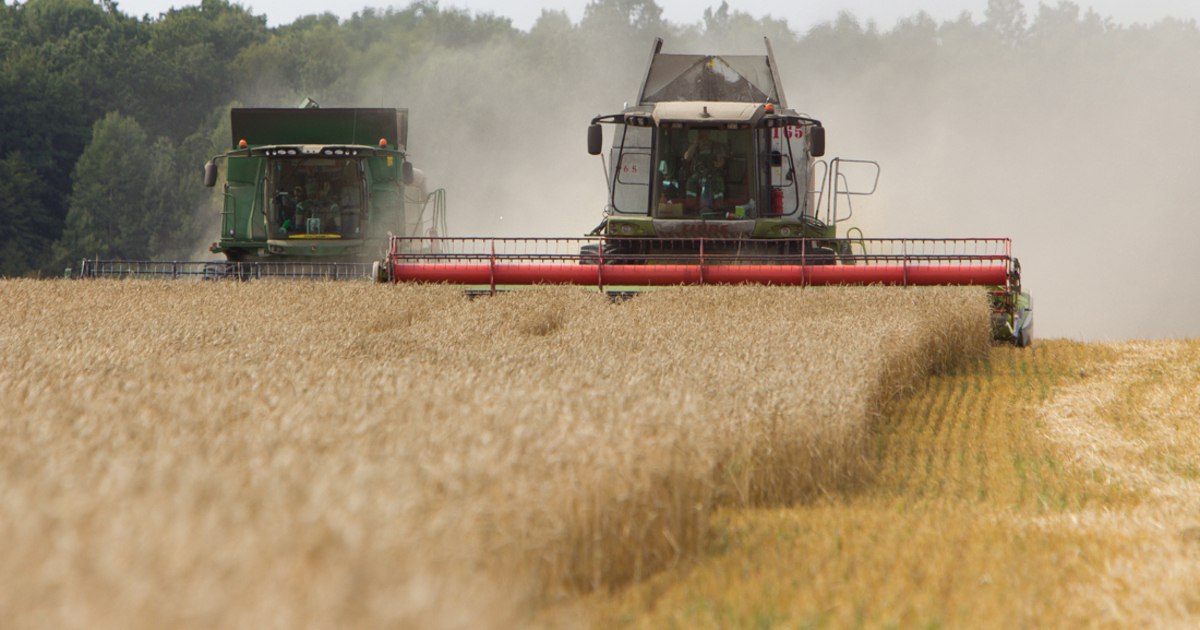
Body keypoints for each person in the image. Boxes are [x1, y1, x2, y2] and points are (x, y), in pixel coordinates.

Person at [684, 129, 728, 209]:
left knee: (718, 182)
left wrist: (719, 163)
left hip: (713, 174)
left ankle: (719, 206)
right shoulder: (694, 147)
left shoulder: (716, 146)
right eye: (701, 135)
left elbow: (721, 161)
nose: (704, 137)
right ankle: (691, 206)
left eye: (706, 134)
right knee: (690, 182)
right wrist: (695, 144)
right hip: (697, 174)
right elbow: (687, 157)